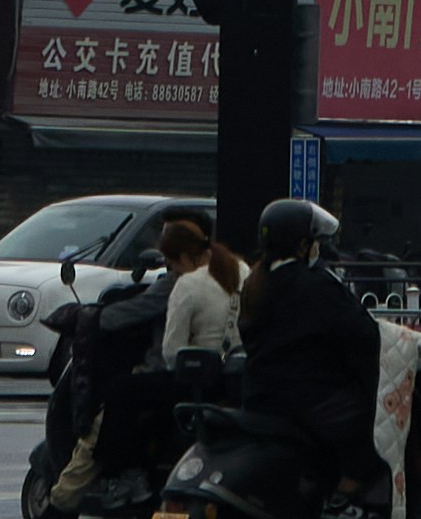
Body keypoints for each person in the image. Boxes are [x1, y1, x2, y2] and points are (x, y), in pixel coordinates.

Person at [236, 198, 381, 501]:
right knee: (374, 415)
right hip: (308, 402)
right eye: (315, 242)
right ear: (303, 245)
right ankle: (345, 494)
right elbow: (364, 333)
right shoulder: (316, 284)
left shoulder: (256, 283)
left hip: (259, 398)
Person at [155, 209, 250, 358]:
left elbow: (172, 351)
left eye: (172, 265)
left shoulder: (187, 284)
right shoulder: (243, 269)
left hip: (202, 374)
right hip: (240, 370)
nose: (173, 271)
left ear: (184, 258)